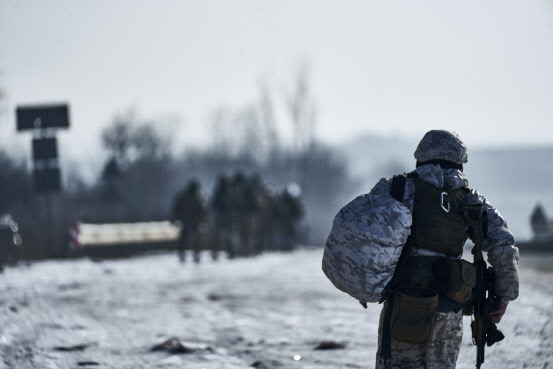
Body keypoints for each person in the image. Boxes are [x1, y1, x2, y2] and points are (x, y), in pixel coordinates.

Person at [325, 130, 519, 369]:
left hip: (403, 306)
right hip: (449, 310)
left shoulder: (398, 189)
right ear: (459, 161)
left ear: (421, 157)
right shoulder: (473, 201)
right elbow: (503, 245)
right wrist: (504, 295)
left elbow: (364, 226)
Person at [171, 179, 206, 263]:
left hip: (189, 221)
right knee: (189, 238)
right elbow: (202, 210)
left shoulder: (186, 197)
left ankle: (190, 253)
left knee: (188, 238)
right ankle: (192, 254)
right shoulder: (195, 197)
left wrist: (175, 218)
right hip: (189, 221)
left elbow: (201, 211)